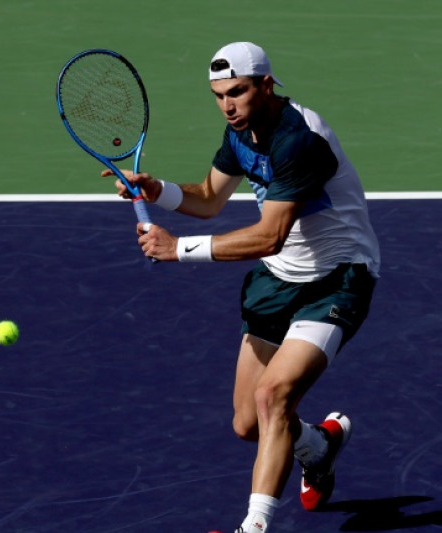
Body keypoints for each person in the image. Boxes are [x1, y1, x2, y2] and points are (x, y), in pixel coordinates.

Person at [105, 41, 380, 533]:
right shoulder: (240, 131)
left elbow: (270, 235)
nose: (227, 105)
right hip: (280, 281)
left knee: (273, 396)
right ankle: (318, 446)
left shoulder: (298, 140)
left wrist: (179, 250)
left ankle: (253, 527)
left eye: (238, 92)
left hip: (336, 279)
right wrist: (157, 190)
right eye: (218, 95)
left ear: (267, 85)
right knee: (247, 424)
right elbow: (209, 197)